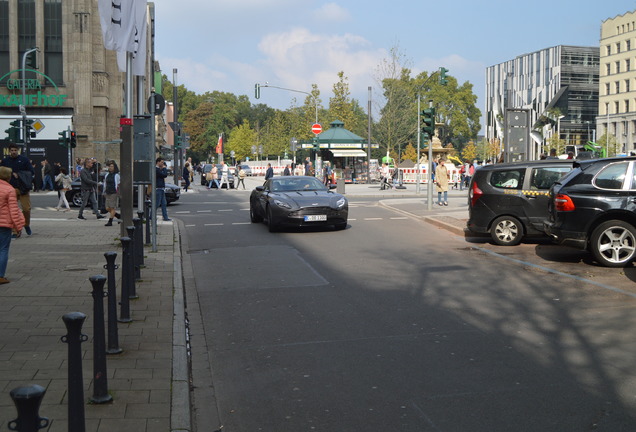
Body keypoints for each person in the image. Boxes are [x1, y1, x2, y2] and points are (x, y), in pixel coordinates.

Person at [0, 143, 34, 236]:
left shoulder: (24, 160)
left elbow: (31, 172)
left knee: (26, 209)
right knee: (13, 210)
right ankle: (16, 231)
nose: (14, 152)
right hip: (10, 188)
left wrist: (19, 174)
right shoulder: (5, 161)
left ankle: (26, 224)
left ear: (18, 150)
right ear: (9, 151)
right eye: (12, 150)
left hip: (23, 188)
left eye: (15, 150)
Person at [0, 167, 25, 284]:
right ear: (7, 177)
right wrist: (18, 227)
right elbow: (13, 210)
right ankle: (0, 276)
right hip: (4, 224)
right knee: (3, 249)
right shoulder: (9, 190)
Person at [103, 161, 121, 226]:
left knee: (112, 207)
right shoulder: (107, 175)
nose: (110, 168)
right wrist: (104, 191)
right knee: (107, 208)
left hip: (114, 192)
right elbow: (105, 183)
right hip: (108, 192)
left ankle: (110, 221)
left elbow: (118, 184)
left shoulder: (116, 175)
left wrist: (118, 192)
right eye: (109, 166)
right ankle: (118, 215)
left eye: (112, 166)